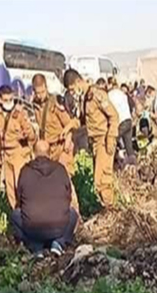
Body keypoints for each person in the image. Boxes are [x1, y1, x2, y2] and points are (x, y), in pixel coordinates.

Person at [11, 140, 78, 258]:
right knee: (73, 214)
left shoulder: (25, 171)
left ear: (33, 153)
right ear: (50, 153)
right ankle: (59, 243)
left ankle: (35, 246)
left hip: (33, 228)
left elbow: (20, 200)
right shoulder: (60, 169)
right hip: (59, 227)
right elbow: (68, 196)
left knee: (15, 215)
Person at [63, 68, 119, 208]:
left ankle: (112, 209)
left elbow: (114, 116)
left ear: (78, 82)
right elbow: (82, 120)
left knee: (102, 181)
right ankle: (108, 207)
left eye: (72, 89)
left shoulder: (96, 95)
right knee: (99, 180)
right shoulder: (84, 99)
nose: (71, 93)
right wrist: (69, 126)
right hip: (94, 142)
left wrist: (111, 137)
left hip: (104, 140)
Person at [31, 73, 80, 210]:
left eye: (42, 91)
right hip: (48, 151)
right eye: (37, 92)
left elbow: (71, 123)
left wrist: (68, 139)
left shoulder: (55, 103)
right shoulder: (35, 105)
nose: (40, 95)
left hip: (61, 147)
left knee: (65, 182)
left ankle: (75, 214)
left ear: (46, 87)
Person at [0, 85, 36, 209]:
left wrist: (27, 135)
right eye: (5, 100)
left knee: (21, 186)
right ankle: (17, 216)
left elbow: (31, 135)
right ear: (0, 99)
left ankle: (27, 214)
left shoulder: (20, 112)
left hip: (19, 153)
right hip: (6, 155)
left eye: (11, 99)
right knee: (10, 189)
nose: (9, 103)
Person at [107, 77, 136, 166]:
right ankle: (133, 166)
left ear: (110, 84)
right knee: (129, 146)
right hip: (128, 120)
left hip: (120, 122)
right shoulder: (122, 93)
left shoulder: (110, 95)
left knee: (111, 141)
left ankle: (112, 164)